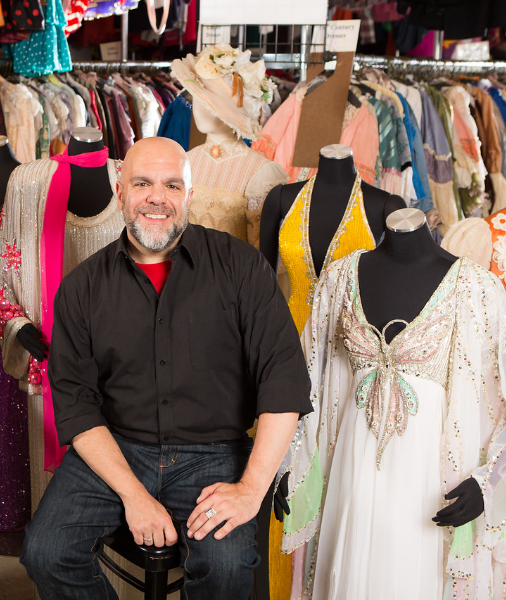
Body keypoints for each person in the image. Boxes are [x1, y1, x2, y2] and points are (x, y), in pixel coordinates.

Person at [20, 136, 312, 599]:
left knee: (229, 565)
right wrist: (135, 496)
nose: (158, 197)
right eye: (143, 183)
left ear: (189, 196)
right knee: (45, 551)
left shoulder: (241, 268)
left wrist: (251, 489)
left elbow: (283, 383)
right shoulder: (81, 288)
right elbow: (77, 408)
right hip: (114, 449)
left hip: (213, 455)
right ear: (120, 191)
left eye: (172, 185)